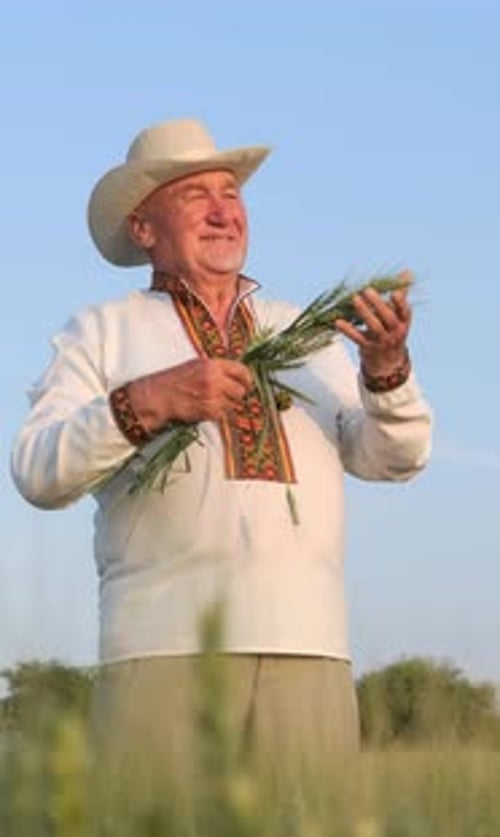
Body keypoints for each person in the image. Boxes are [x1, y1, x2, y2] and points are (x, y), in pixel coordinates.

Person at [11, 118, 431, 793]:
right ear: (143, 229)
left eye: (231, 194)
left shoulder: (306, 333)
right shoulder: (102, 332)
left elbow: (393, 457)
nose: (221, 211)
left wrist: (386, 372)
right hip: (161, 647)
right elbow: (37, 471)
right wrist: (147, 400)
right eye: (193, 195)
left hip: (309, 643)